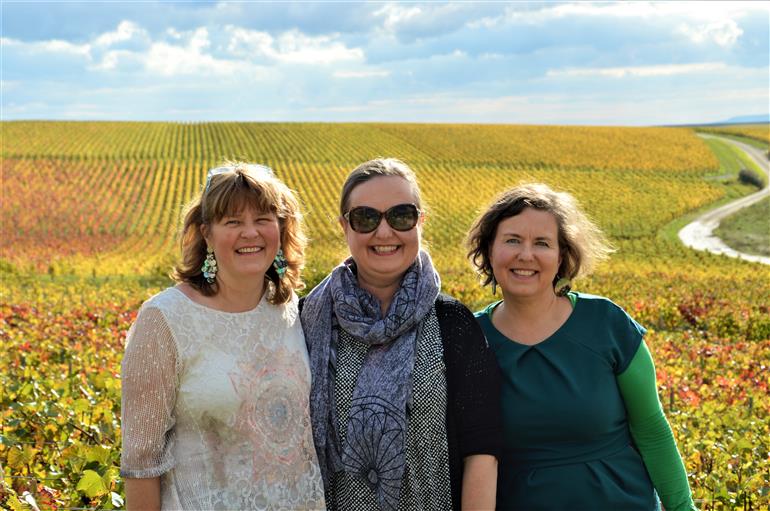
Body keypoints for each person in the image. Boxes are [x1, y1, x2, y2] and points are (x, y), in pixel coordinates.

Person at [466, 183, 697, 511]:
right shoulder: (471, 340)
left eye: (542, 243)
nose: (526, 255)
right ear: (490, 250)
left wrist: (683, 508)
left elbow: (651, 429)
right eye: (512, 240)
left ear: (561, 256)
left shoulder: (607, 324)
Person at [120, 163, 325, 510]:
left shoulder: (289, 308)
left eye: (263, 218)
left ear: (280, 228)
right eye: (233, 221)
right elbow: (141, 462)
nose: (250, 232)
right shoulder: (165, 320)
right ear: (207, 234)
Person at [300, 158, 502, 511]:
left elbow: (481, 447)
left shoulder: (452, 322)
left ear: (420, 221)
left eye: (401, 216)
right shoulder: (306, 320)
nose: (384, 232)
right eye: (366, 218)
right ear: (344, 226)